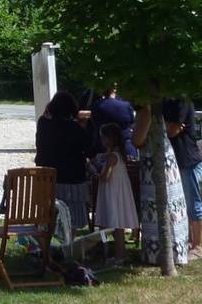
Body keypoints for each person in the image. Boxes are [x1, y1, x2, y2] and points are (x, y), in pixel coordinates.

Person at [132, 105, 189, 267]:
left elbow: (138, 139)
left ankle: (158, 254)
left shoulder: (146, 110)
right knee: (172, 205)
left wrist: (133, 134)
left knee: (158, 206)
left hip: (154, 162)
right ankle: (177, 252)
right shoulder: (156, 108)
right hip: (165, 157)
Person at [34, 91, 92, 230]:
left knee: (49, 217)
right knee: (73, 219)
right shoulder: (75, 128)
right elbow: (88, 148)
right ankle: (69, 247)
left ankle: (49, 247)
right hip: (73, 178)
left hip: (48, 176)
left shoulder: (43, 124)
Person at [163, 97, 202, 260]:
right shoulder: (164, 100)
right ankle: (186, 241)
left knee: (192, 204)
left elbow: (174, 129)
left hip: (187, 160)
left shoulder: (181, 100)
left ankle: (197, 246)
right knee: (179, 204)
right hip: (174, 160)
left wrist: (157, 130)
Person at [93, 122, 138, 261]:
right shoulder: (118, 154)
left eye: (103, 137)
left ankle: (119, 254)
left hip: (113, 192)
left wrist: (94, 172)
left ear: (110, 139)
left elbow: (106, 177)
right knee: (116, 224)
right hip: (117, 191)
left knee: (116, 223)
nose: (102, 140)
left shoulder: (113, 156)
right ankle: (118, 252)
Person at [89, 85, 136, 159]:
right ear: (114, 90)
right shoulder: (126, 105)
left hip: (103, 148)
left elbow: (93, 123)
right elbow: (132, 124)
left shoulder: (97, 106)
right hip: (126, 148)